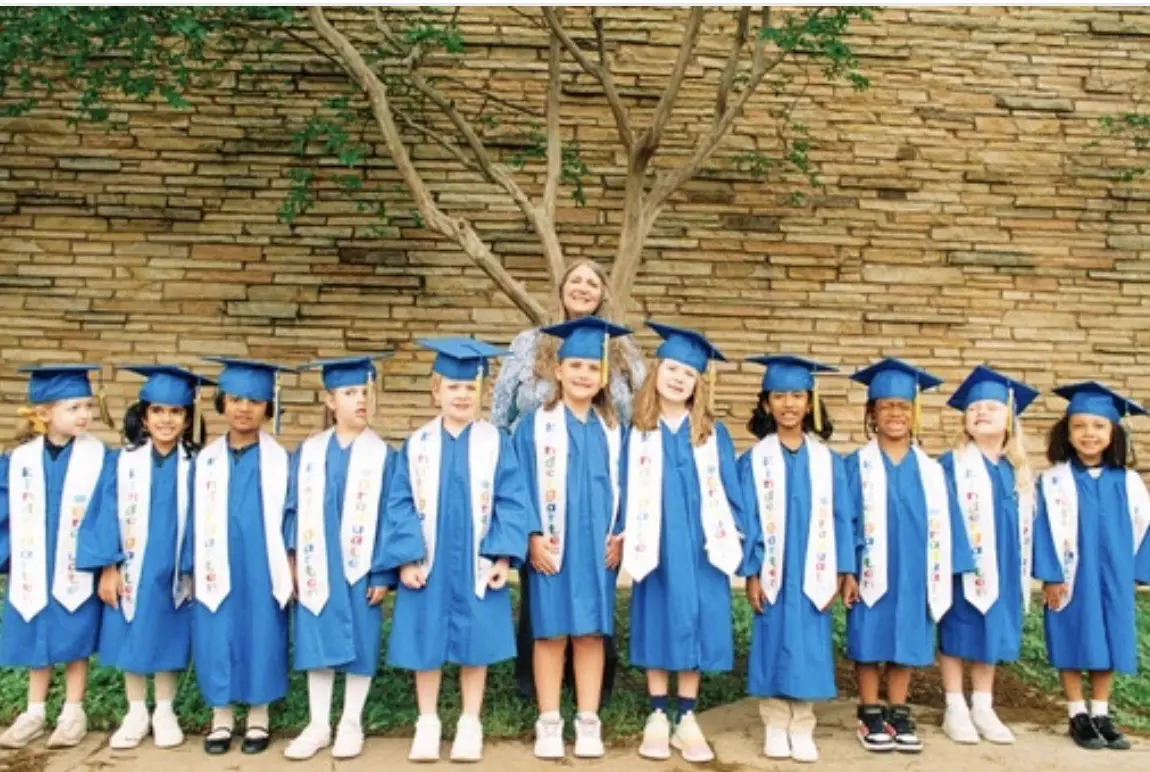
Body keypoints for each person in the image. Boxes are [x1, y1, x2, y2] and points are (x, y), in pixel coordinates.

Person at [492, 259, 645, 705]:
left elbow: (639, 414)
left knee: (594, 612)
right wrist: (524, 525)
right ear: (560, 289)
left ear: (603, 293)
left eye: (592, 281)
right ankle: (543, 705)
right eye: (575, 280)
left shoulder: (623, 350)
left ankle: (591, 704)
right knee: (544, 612)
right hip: (541, 482)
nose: (583, 287)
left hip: (600, 487)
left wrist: (625, 526)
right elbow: (502, 410)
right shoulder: (528, 344)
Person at [382, 338, 531, 763]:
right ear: (436, 392)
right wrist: (407, 558)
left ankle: (470, 722)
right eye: (453, 387)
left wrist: (502, 557)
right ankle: (426, 722)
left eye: (470, 388)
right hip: (427, 561)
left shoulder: (496, 442)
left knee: (476, 641)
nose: (462, 395)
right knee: (425, 639)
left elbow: (512, 500)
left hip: (476, 561)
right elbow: (399, 502)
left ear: (482, 393)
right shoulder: (417, 444)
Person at [621, 322, 745, 764]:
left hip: (701, 544)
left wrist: (738, 533)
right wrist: (619, 532)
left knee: (695, 620)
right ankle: (657, 714)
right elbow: (621, 487)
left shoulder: (713, 434)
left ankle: (687, 717)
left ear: (698, 384)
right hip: (653, 541)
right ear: (657, 372)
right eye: (671, 368)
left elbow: (732, 491)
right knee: (657, 617)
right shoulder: (636, 430)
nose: (678, 378)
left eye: (688, 373)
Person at [512, 316, 630, 760]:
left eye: (592, 367)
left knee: (591, 634)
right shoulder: (533, 425)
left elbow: (632, 488)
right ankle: (547, 720)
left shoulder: (615, 430)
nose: (583, 374)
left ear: (603, 377)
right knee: (549, 633)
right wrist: (530, 536)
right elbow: (517, 485)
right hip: (552, 546)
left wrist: (623, 534)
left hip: (598, 549)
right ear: (557, 371)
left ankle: (587, 719)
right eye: (575, 365)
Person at [76, 365, 211, 750]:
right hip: (131, 565)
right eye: (158, 411)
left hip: (176, 566)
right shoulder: (122, 463)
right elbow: (103, 515)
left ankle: (165, 710)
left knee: (167, 633)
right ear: (145, 416)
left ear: (188, 419)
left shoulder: (200, 465)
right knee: (130, 634)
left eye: (176, 412)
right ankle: (136, 711)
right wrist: (108, 567)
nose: (166, 419)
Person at [844, 358, 974, 754]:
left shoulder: (932, 472)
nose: (896, 414)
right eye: (886, 406)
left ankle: (898, 711)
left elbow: (951, 522)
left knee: (908, 639)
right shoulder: (855, 465)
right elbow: (843, 519)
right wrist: (846, 569)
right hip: (871, 569)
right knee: (868, 638)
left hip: (917, 571)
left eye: (903, 406)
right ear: (872, 414)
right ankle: (869, 712)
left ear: (914, 413)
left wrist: (954, 569)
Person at [739, 355, 856, 763]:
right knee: (771, 637)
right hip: (774, 570)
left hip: (814, 569)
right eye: (779, 396)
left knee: (810, 642)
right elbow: (749, 520)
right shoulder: (753, 461)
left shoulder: (829, 462)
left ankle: (803, 723)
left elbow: (843, 518)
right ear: (766, 404)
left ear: (810, 403)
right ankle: (774, 721)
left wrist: (845, 569)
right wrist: (751, 572)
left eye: (797, 395)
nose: (788, 403)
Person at [282, 355, 398, 761]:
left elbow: (391, 517)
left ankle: (351, 722)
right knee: (316, 639)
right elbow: (292, 509)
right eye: (350, 393)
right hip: (318, 563)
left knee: (361, 640)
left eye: (365, 392)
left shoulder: (384, 455)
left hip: (361, 564)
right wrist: (293, 561)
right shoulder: (309, 452)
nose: (360, 400)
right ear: (330, 400)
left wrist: (383, 571)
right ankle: (317, 724)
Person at [185, 357, 294, 756]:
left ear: (269, 407)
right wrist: (188, 565)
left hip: (263, 563)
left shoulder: (282, 460)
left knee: (262, 632)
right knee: (217, 632)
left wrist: (294, 562)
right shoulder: (204, 460)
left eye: (254, 400)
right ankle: (221, 718)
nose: (244, 408)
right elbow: (190, 517)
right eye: (235, 399)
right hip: (215, 560)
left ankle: (259, 717)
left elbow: (293, 514)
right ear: (222, 403)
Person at [1033, 382, 1150, 751]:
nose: (1089, 434)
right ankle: (1076, 713)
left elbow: (1146, 528)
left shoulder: (1128, 481)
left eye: (1098, 426)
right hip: (1071, 575)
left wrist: (1137, 573)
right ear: (1066, 433)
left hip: (1114, 574)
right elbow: (1042, 531)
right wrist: (1049, 575)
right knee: (1070, 632)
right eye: (1080, 426)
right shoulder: (1052, 481)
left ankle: (1102, 712)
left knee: (1111, 637)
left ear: (1114, 433)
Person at [0, 365, 110, 750]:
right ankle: (33, 712)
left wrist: (103, 560)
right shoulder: (19, 460)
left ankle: (72, 712)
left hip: (74, 564)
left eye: (87, 406)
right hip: (33, 564)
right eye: (74, 407)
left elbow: (106, 511)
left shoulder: (99, 457)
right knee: (36, 633)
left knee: (74, 634)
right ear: (44, 413)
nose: (84, 414)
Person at [937, 365, 1039, 746]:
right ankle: (954, 706)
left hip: (1006, 566)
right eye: (974, 407)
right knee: (956, 630)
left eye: (991, 407)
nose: (980, 412)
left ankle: (983, 704)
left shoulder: (1019, 473)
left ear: (1010, 417)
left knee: (991, 631)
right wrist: (956, 560)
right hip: (960, 564)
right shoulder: (952, 464)